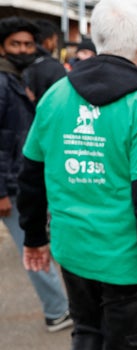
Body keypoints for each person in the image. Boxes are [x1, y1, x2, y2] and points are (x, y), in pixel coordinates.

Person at [17, 0, 137, 350]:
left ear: (96, 39)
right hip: (127, 263)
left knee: (87, 335)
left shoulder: (57, 95)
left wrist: (34, 238)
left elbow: (30, 175)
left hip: (74, 251)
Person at [0, 16, 73, 333]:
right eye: (15, 44)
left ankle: (59, 307)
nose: (23, 49)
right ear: (2, 46)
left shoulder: (17, 78)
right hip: (10, 184)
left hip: (19, 179)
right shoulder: (3, 82)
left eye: (28, 44)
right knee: (33, 245)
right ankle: (57, 311)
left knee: (37, 242)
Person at [23, 19, 67, 103]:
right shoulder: (55, 67)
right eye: (55, 41)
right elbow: (61, 100)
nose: (55, 45)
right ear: (48, 42)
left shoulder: (18, 63)